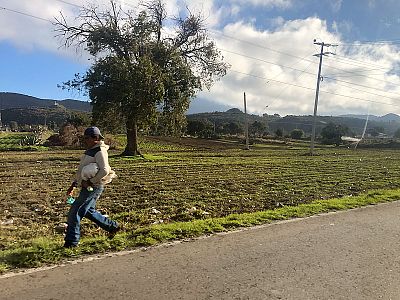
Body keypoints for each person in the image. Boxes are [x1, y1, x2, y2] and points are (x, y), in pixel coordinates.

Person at [64, 126, 119, 248]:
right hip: (88, 186)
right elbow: (81, 171)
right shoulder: (91, 150)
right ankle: (113, 227)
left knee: (75, 212)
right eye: (85, 138)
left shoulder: (100, 150)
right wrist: (74, 184)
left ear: (96, 138)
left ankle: (71, 243)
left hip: (94, 187)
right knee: (89, 211)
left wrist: (91, 182)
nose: (85, 140)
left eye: (87, 138)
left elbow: (105, 170)